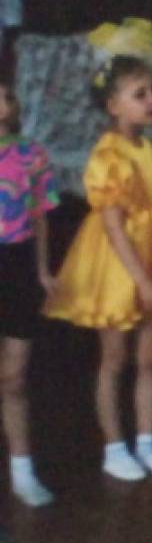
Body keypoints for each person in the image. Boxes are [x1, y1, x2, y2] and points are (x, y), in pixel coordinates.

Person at [44, 55, 152, 481]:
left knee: (150, 359)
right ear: (113, 105)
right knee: (114, 359)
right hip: (119, 263)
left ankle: (147, 443)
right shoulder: (108, 155)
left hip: (151, 252)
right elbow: (114, 226)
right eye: (141, 94)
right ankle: (114, 447)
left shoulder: (145, 148)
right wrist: (143, 280)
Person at [0, 78, 57, 505]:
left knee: (15, 375)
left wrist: (42, 271)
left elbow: (40, 216)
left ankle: (22, 468)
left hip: (17, 264)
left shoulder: (30, 154)